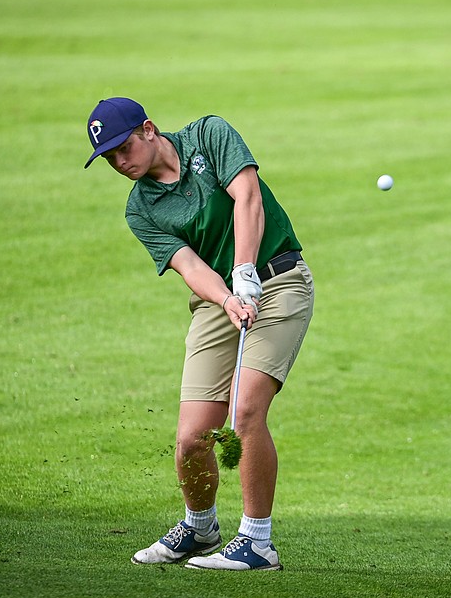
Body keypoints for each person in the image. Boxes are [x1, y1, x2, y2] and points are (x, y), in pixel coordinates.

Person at [83, 97, 314, 571]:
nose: (120, 163)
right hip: (219, 301)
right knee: (192, 438)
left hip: (279, 280)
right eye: (109, 159)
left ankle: (257, 542)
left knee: (245, 412)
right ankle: (200, 526)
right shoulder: (140, 210)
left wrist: (245, 269)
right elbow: (188, 265)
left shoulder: (209, 134)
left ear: (149, 130)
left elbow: (247, 195)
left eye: (123, 148)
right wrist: (228, 297)